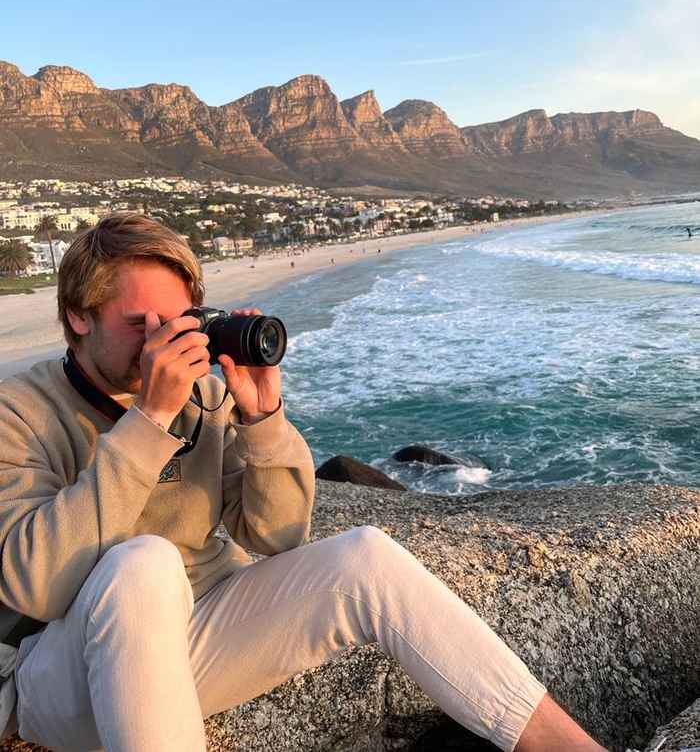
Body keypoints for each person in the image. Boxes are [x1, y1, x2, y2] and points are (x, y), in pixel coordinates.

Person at [0, 214, 607, 752]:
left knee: (366, 555)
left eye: (179, 322)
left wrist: (262, 417)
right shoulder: (19, 412)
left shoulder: (204, 396)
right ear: (78, 315)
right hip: (63, 669)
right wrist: (149, 420)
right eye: (142, 323)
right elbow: (38, 589)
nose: (164, 341)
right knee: (144, 563)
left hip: (195, 633)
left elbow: (278, 535)